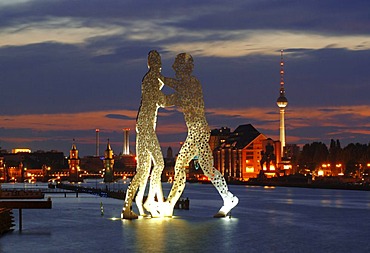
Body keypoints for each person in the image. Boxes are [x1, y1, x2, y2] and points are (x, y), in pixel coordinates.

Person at [161, 53, 239, 217]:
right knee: (198, 168)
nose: (174, 68)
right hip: (196, 131)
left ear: (184, 67)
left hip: (199, 131)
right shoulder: (185, 90)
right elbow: (169, 100)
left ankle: (170, 204)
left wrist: (160, 78)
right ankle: (228, 197)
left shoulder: (192, 83)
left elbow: (178, 89)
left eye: (177, 65)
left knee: (187, 167)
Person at [121, 50, 170, 219]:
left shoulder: (149, 79)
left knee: (143, 169)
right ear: (155, 64)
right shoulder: (151, 80)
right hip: (146, 128)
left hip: (142, 127)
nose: (160, 67)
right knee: (159, 164)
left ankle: (132, 205)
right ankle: (147, 201)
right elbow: (163, 101)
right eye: (158, 63)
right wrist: (184, 97)